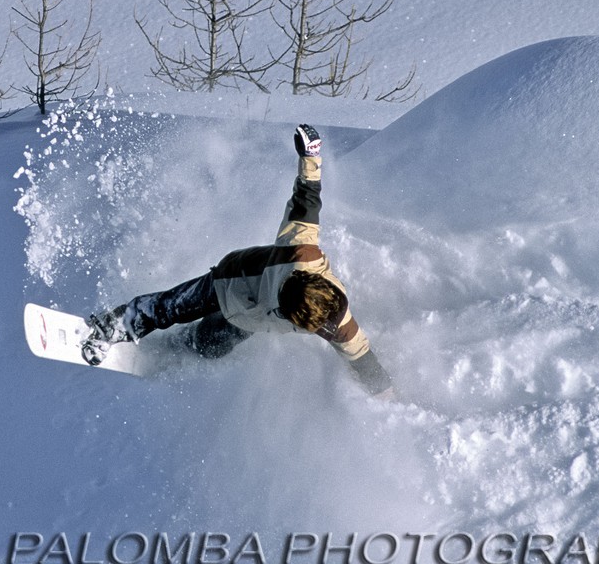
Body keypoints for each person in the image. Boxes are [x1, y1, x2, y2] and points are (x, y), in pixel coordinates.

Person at [83, 124, 395, 398]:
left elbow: (363, 358)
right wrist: (311, 156)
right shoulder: (298, 251)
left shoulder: (336, 325)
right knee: (170, 307)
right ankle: (110, 329)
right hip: (229, 281)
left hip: (245, 321)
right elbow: (307, 198)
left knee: (207, 348)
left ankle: (171, 348)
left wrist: (386, 397)